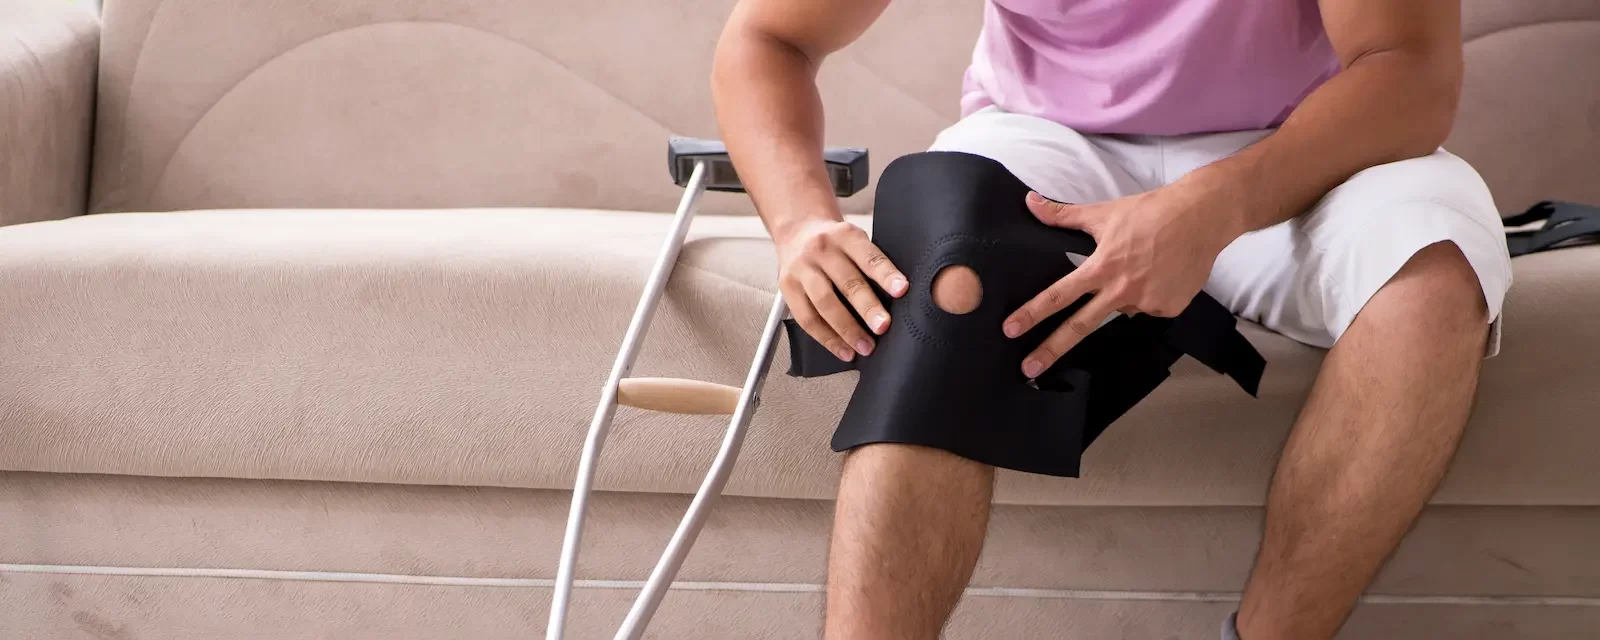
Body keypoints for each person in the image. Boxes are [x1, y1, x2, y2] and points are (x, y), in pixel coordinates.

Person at [710, 0, 1512, 638]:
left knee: (1431, 284)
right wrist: (798, 221)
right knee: (943, 295)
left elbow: (1409, 72)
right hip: (1048, 136)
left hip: (1301, 143)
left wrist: (1217, 201)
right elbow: (770, 36)